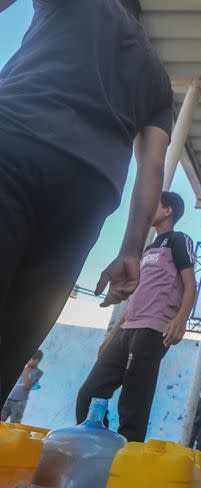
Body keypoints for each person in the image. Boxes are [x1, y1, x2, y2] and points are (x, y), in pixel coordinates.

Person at [0, 0, 173, 404]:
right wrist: (131, 250)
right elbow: (152, 168)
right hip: (88, 193)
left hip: (14, 146)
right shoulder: (157, 76)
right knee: (18, 332)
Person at [76, 192, 196, 442]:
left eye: (156, 205)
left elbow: (190, 283)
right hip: (127, 328)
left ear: (168, 211)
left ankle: (127, 458)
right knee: (89, 393)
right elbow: (137, 295)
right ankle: (99, 444)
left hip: (153, 330)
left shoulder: (178, 240)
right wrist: (112, 335)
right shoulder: (147, 249)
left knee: (133, 403)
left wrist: (181, 319)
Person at [1, 350, 43, 423]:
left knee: (15, 424)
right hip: (9, 398)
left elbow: (27, 386)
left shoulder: (38, 372)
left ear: (36, 360)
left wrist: (26, 371)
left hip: (19, 402)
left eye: (30, 359)